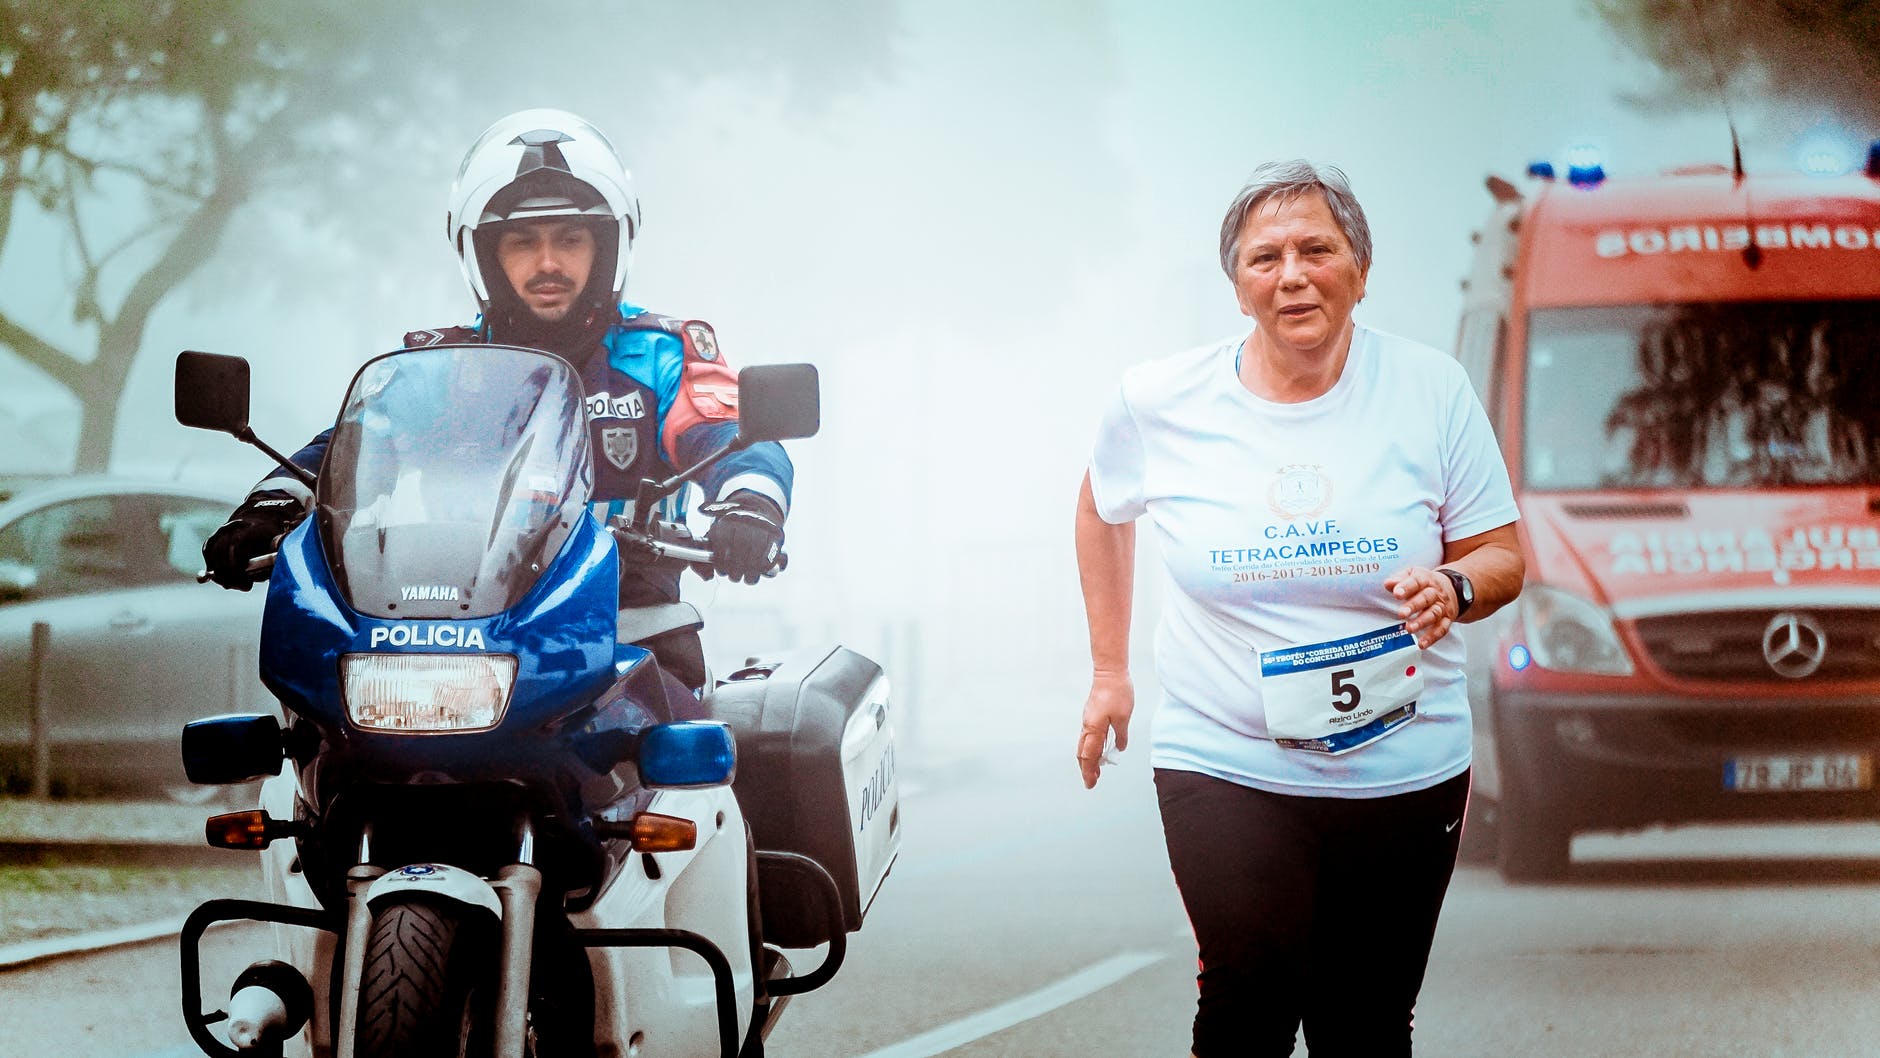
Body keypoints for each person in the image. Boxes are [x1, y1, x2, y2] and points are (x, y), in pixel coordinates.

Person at [1073, 160, 1524, 1057]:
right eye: (1264, 257)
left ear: (1360, 268)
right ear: (1237, 287)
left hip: (1406, 761)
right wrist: (1111, 673)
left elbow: (1503, 554)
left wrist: (1457, 588)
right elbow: (1099, 507)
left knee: (1363, 1022)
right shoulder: (1161, 402)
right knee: (1249, 995)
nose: (1292, 275)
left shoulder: (1430, 390)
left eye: (1316, 249)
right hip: (1224, 751)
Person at [201, 108, 792, 700]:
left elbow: (727, 429)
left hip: (628, 637)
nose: (548, 263)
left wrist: (751, 505)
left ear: (607, 244)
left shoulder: (660, 356)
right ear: (485, 253)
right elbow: (351, 447)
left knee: (684, 760)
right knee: (318, 751)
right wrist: (270, 505)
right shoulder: (441, 370)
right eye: (522, 242)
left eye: (570, 238)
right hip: (452, 645)